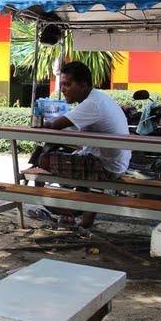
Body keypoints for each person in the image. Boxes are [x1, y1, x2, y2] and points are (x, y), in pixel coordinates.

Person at [37, 61, 130, 230]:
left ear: (83, 84)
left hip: (106, 166)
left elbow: (56, 124)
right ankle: (84, 217)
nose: (63, 89)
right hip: (114, 162)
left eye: (67, 84)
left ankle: (39, 198)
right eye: (62, 85)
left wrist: (39, 121)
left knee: (44, 160)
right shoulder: (97, 99)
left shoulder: (92, 103)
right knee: (80, 161)